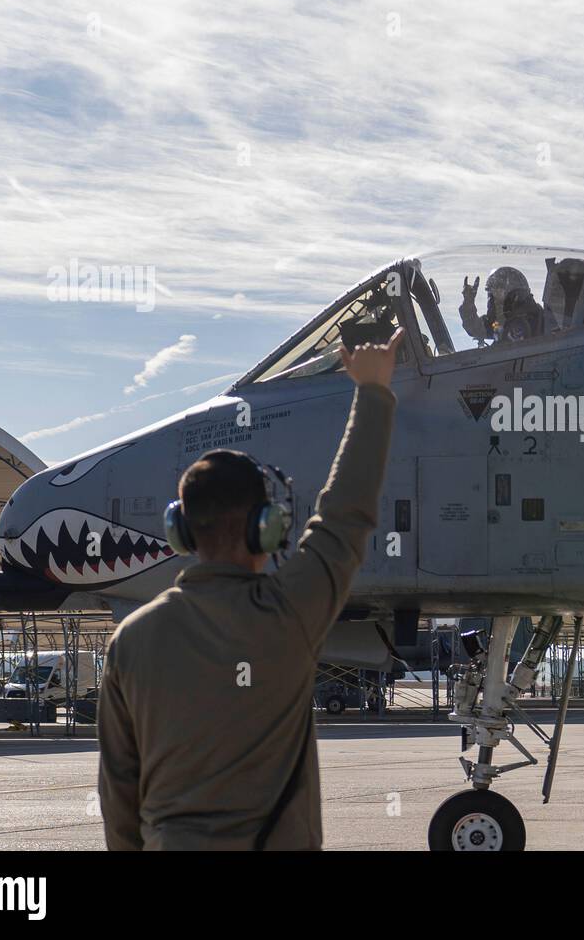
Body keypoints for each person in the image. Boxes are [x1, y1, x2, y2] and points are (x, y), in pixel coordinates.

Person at [97, 329, 405, 850]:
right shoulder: (288, 615)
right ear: (267, 528)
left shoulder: (130, 640)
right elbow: (345, 512)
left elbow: (118, 794)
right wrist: (372, 392)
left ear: (182, 531)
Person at [458, 266, 544, 344]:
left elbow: (505, 355)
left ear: (513, 293)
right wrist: (468, 304)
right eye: (492, 293)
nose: (493, 297)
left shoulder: (522, 323)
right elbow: (476, 329)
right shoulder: (501, 321)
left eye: (498, 289)